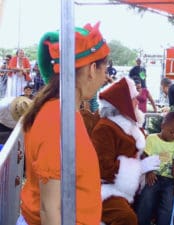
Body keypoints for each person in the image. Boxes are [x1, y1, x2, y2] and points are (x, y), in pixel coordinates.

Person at [18, 22, 110, 225]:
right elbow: (49, 210)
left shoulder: (64, 112)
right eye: (106, 69)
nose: (106, 77)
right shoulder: (57, 121)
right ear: (93, 69)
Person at [90, 77, 174, 225]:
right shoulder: (105, 128)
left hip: (138, 185)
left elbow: (149, 152)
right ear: (122, 102)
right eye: (134, 98)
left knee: (164, 203)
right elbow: (103, 168)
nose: (138, 100)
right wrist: (139, 168)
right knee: (127, 218)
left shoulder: (133, 125)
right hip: (110, 189)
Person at [135, 111, 174, 225]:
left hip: (169, 180)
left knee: (167, 206)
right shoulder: (151, 139)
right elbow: (145, 155)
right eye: (172, 132)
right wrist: (149, 171)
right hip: (154, 177)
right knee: (146, 200)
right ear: (163, 126)